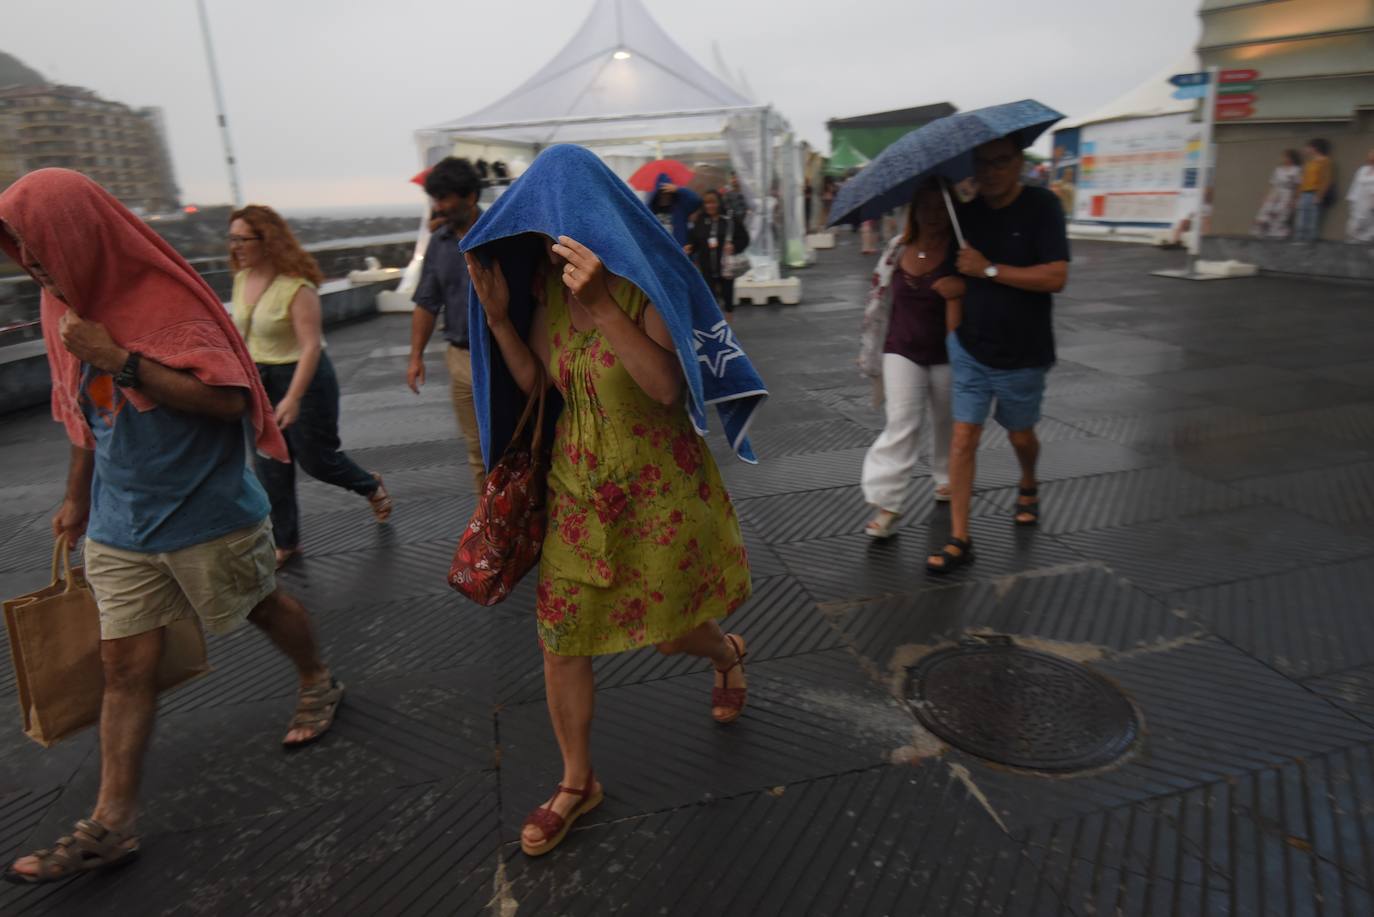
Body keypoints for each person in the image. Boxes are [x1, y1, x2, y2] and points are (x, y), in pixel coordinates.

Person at [0, 170, 343, 885]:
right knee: (122, 667)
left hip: (205, 512)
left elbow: (227, 400)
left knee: (261, 605)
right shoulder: (61, 304)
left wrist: (121, 359)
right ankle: (111, 821)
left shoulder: (163, 299)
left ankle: (316, 677)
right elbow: (81, 414)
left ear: (76, 234)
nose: (32, 266)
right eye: (19, 254)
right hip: (122, 525)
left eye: (39, 250)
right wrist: (77, 498)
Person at [461, 144, 764, 858]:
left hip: (658, 487)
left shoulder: (642, 281)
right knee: (561, 639)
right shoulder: (543, 290)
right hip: (579, 485)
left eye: (555, 225)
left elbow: (664, 387)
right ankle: (576, 780)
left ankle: (723, 652)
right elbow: (541, 388)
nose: (547, 242)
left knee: (668, 630)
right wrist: (503, 320)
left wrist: (600, 304)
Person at [927, 137, 1070, 574]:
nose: (990, 172)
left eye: (1000, 162)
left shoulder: (1043, 206)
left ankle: (1027, 481)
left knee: (1020, 436)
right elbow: (954, 276)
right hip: (971, 347)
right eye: (982, 164)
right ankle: (960, 538)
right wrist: (953, 315)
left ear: (1019, 163)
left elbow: (1055, 277)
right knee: (962, 437)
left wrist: (988, 269)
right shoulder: (965, 217)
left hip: (1024, 352)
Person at [229, 205, 392, 568]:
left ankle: (368, 484)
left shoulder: (296, 286)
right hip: (260, 379)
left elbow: (311, 346)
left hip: (302, 376)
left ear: (267, 239)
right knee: (270, 466)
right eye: (233, 238)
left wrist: (294, 396)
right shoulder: (241, 280)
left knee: (317, 460)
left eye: (243, 239)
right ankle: (286, 542)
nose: (236, 246)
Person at [858, 182, 963, 538]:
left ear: (952, 211)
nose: (933, 215)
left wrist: (965, 285)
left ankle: (946, 476)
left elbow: (980, 296)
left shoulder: (961, 251)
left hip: (949, 352)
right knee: (901, 422)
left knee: (947, 420)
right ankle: (888, 503)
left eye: (940, 207)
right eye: (926, 206)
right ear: (913, 211)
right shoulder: (895, 249)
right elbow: (879, 299)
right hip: (901, 348)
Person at [406, 157, 487, 492]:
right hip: (461, 358)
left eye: (444, 198)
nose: (438, 206)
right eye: (435, 198)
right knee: (476, 450)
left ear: (470, 197)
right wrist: (415, 357)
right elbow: (427, 302)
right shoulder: (439, 244)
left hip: (509, 355)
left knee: (517, 440)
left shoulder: (501, 235)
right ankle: (491, 524)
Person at [685, 189, 750, 320]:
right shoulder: (701, 220)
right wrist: (690, 247)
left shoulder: (730, 220)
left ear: (719, 203)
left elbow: (744, 238)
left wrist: (734, 246)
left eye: (713, 202)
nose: (710, 206)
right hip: (707, 265)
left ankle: (729, 317)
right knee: (709, 294)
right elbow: (695, 240)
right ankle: (716, 321)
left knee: (727, 292)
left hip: (725, 265)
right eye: (707, 203)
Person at [1251, 150, 1303, 239]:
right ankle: (1263, 232)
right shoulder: (1278, 170)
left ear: (1291, 158)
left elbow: (1299, 185)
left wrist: (1294, 199)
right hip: (1276, 192)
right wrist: (1267, 196)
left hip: (1288, 193)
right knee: (1267, 210)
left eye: (1286, 157)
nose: (1284, 159)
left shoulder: (1297, 170)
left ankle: (1278, 233)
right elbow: (1273, 184)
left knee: (1281, 213)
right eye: (1283, 157)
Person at [1294, 138, 1333, 243]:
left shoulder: (1325, 161)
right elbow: (1303, 180)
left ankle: (1310, 241)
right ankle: (1299, 239)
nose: (1306, 149)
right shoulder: (1309, 163)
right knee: (1301, 218)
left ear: (1315, 148)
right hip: (1304, 193)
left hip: (1314, 193)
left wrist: (1319, 195)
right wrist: (1298, 196)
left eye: (1308, 147)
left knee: (1312, 218)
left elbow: (1326, 179)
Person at [647, 174, 702, 247]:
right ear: (657, 193)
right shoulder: (650, 209)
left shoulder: (680, 207)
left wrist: (678, 189)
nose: (665, 194)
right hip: (657, 249)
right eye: (662, 191)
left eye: (668, 192)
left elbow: (697, 201)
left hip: (677, 249)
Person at [1346, 148, 1374, 244]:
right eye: (1371, 152)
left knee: (1367, 222)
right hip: (1357, 199)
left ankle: (1365, 240)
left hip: (1370, 201)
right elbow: (1356, 184)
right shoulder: (1363, 169)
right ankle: (1354, 240)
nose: (1371, 155)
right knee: (1355, 221)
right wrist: (1351, 197)